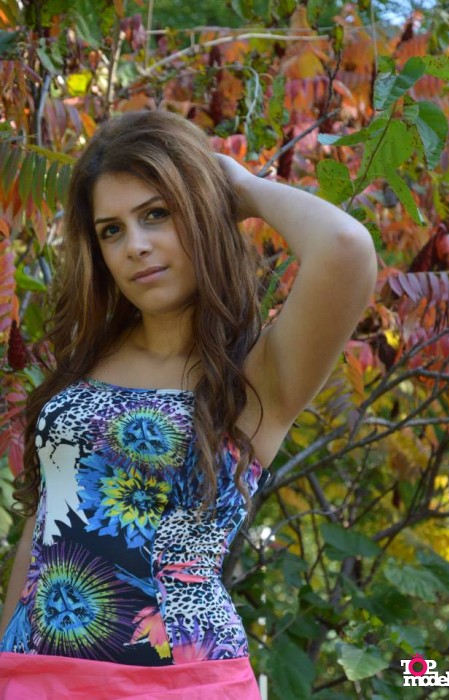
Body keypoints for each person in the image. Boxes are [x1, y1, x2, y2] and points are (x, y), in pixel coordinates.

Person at [0, 110, 377, 699]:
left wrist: (239, 187)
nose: (136, 246)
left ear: (201, 209)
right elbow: (44, 524)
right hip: (34, 675)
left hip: (181, 682)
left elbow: (345, 246)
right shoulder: (86, 360)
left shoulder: (257, 375)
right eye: (112, 230)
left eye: (157, 214)